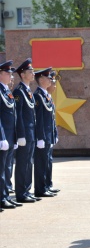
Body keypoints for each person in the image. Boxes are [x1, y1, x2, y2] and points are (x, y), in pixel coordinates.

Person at [13, 59, 40, 203]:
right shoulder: (18, 91)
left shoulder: (28, 91)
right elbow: (18, 116)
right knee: (22, 163)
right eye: (30, 72)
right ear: (23, 75)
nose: (33, 73)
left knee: (29, 163)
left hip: (31, 134)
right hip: (25, 135)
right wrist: (21, 135)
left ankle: (27, 190)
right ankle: (21, 193)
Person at [33, 67, 58, 199]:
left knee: (47, 161)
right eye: (48, 77)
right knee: (41, 162)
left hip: (48, 135)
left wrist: (54, 134)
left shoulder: (46, 95)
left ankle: (47, 185)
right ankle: (40, 188)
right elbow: (40, 119)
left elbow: (51, 118)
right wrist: (41, 137)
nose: (50, 80)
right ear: (41, 79)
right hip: (42, 136)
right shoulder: (38, 96)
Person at [0, 61, 18, 210]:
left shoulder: (6, 91)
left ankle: (5, 196)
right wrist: (1, 137)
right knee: (1, 169)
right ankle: (1, 198)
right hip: (3, 137)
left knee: (7, 168)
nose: (11, 76)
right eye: (7, 73)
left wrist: (16, 136)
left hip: (10, 136)